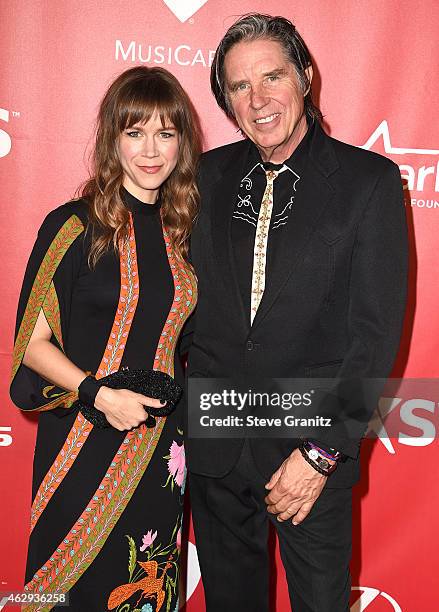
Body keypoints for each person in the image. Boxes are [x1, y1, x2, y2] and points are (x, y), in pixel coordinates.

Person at [185, 13, 408, 612]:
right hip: (216, 445)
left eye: (272, 77)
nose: (258, 100)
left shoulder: (371, 183)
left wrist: (321, 453)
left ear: (304, 76)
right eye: (238, 87)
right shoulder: (205, 178)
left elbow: (375, 336)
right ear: (226, 101)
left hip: (309, 453)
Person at [10, 66, 201, 611]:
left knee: (142, 588)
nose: (150, 150)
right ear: (111, 138)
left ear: (182, 143)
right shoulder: (71, 226)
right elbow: (32, 343)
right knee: (69, 589)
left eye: (166, 133)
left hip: (161, 451)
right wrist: (98, 394)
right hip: (83, 437)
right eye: (134, 132)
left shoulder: (184, 234)